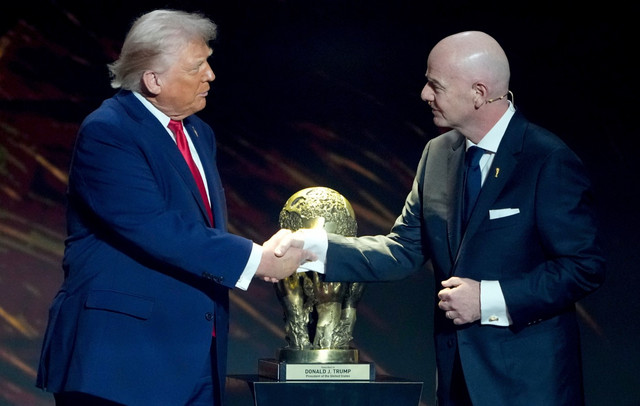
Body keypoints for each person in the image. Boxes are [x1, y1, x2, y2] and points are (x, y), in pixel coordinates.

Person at [280, 31, 605, 405]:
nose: (424, 94)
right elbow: (403, 250)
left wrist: (488, 299)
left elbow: (584, 266)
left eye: (435, 85)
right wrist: (310, 247)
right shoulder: (436, 154)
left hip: (528, 386)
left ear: (479, 93)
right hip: (456, 381)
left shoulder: (546, 159)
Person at [35, 9, 311, 406]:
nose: (210, 75)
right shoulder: (109, 131)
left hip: (194, 356)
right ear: (153, 80)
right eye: (197, 67)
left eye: (208, 63)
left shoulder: (199, 133)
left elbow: (200, 229)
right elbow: (154, 227)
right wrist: (258, 259)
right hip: (121, 361)